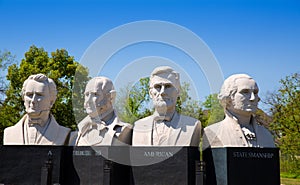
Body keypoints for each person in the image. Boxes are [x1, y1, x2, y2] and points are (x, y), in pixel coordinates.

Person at [132, 66, 201, 146]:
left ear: (178, 91)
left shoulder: (193, 125)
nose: (162, 92)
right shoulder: (138, 126)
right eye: (157, 87)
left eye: (168, 86)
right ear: (150, 93)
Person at [202, 74, 275, 149]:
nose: (253, 98)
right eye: (245, 92)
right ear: (229, 97)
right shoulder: (213, 132)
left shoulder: (266, 135)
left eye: (255, 92)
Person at [3, 74, 71, 145]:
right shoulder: (9, 133)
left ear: (51, 101)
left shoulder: (65, 134)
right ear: (23, 98)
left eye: (39, 95)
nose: (33, 100)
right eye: (29, 95)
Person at [69, 77, 132, 146]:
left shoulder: (125, 130)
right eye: (87, 94)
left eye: (95, 94)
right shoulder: (77, 133)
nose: (88, 100)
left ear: (111, 97)